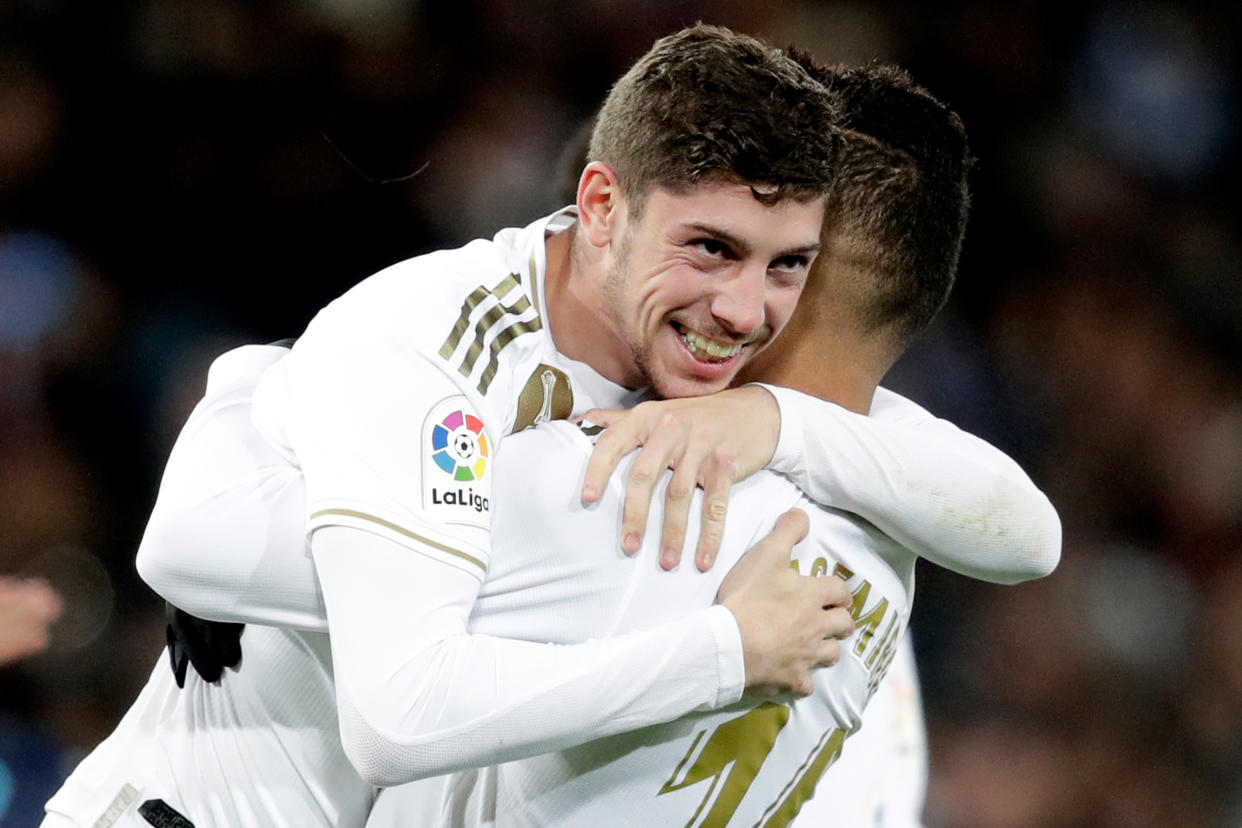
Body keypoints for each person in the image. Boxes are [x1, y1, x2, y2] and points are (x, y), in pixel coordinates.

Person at [43, 30, 1058, 828]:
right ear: (607, 212)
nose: (744, 309)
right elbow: (191, 542)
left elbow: (1028, 529)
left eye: (782, 265)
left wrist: (777, 418)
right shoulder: (456, 361)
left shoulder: (720, 444)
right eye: (713, 248)